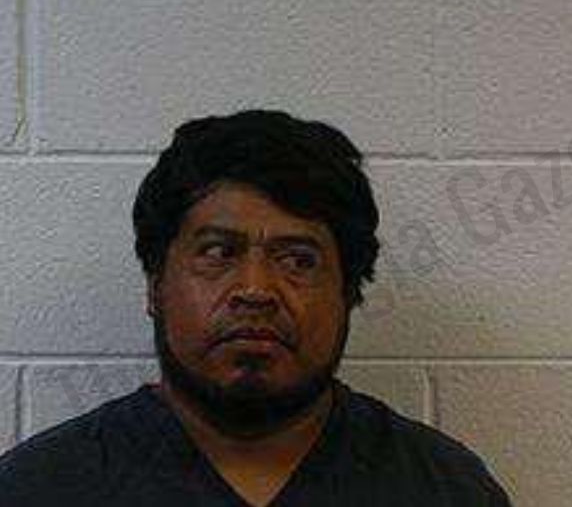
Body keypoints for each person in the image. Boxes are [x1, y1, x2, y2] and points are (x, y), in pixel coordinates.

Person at [0, 110, 511, 506]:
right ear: (156, 286)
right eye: (218, 252)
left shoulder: (445, 489)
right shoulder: (40, 488)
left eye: (298, 260)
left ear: (349, 292)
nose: (255, 289)